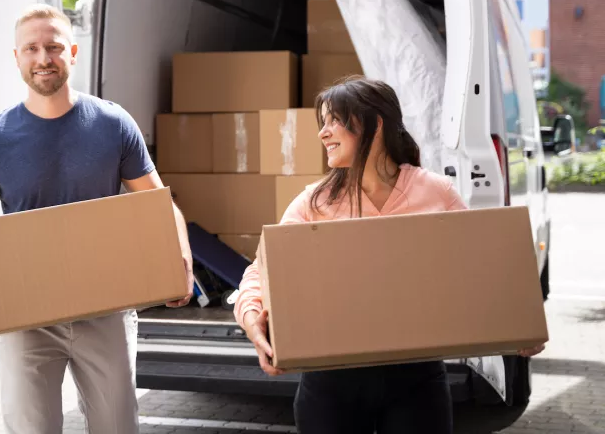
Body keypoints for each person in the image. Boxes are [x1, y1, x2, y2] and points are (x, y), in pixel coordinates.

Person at [0, 3, 194, 433]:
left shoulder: (112, 123)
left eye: (53, 47)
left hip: (105, 308)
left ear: (72, 52)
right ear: (16, 57)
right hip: (24, 316)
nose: (43, 59)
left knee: (117, 426)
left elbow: (159, 204)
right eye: (31, 48)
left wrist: (180, 257)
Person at [233, 76, 545, 433]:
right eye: (323, 123)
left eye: (334, 120)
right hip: (331, 383)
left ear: (375, 124)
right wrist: (252, 317)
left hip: (416, 379)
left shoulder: (435, 193)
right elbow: (261, 272)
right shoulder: (313, 203)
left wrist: (520, 320)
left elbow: (480, 266)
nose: (323, 133)